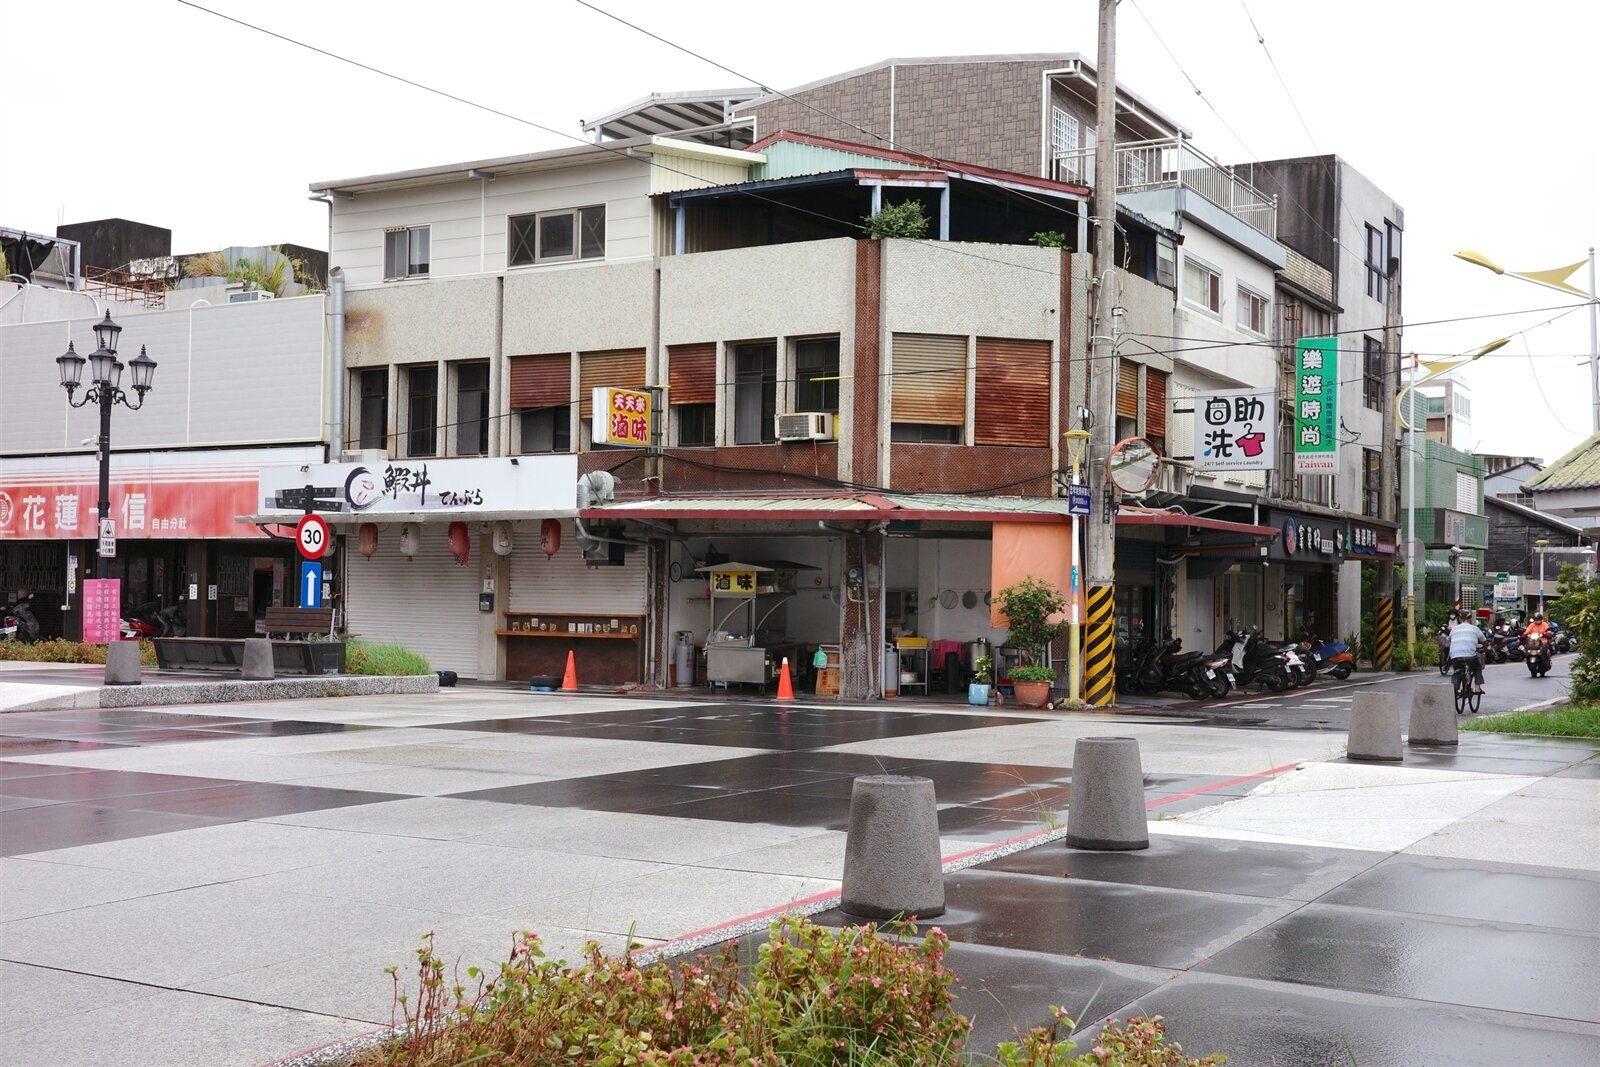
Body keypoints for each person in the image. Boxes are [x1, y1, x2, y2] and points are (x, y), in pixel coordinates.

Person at [1447, 611, 1486, 695]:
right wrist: (1484, 649)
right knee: (1477, 667)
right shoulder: (1475, 628)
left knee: (1457, 670)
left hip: (1454, 655)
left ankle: (1454, 689)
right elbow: (1485, 641)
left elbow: (1449, 639)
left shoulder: (1454, 628)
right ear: (1470, 619)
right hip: (1470, 655)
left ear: (1460, 619)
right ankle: (1477, 688)